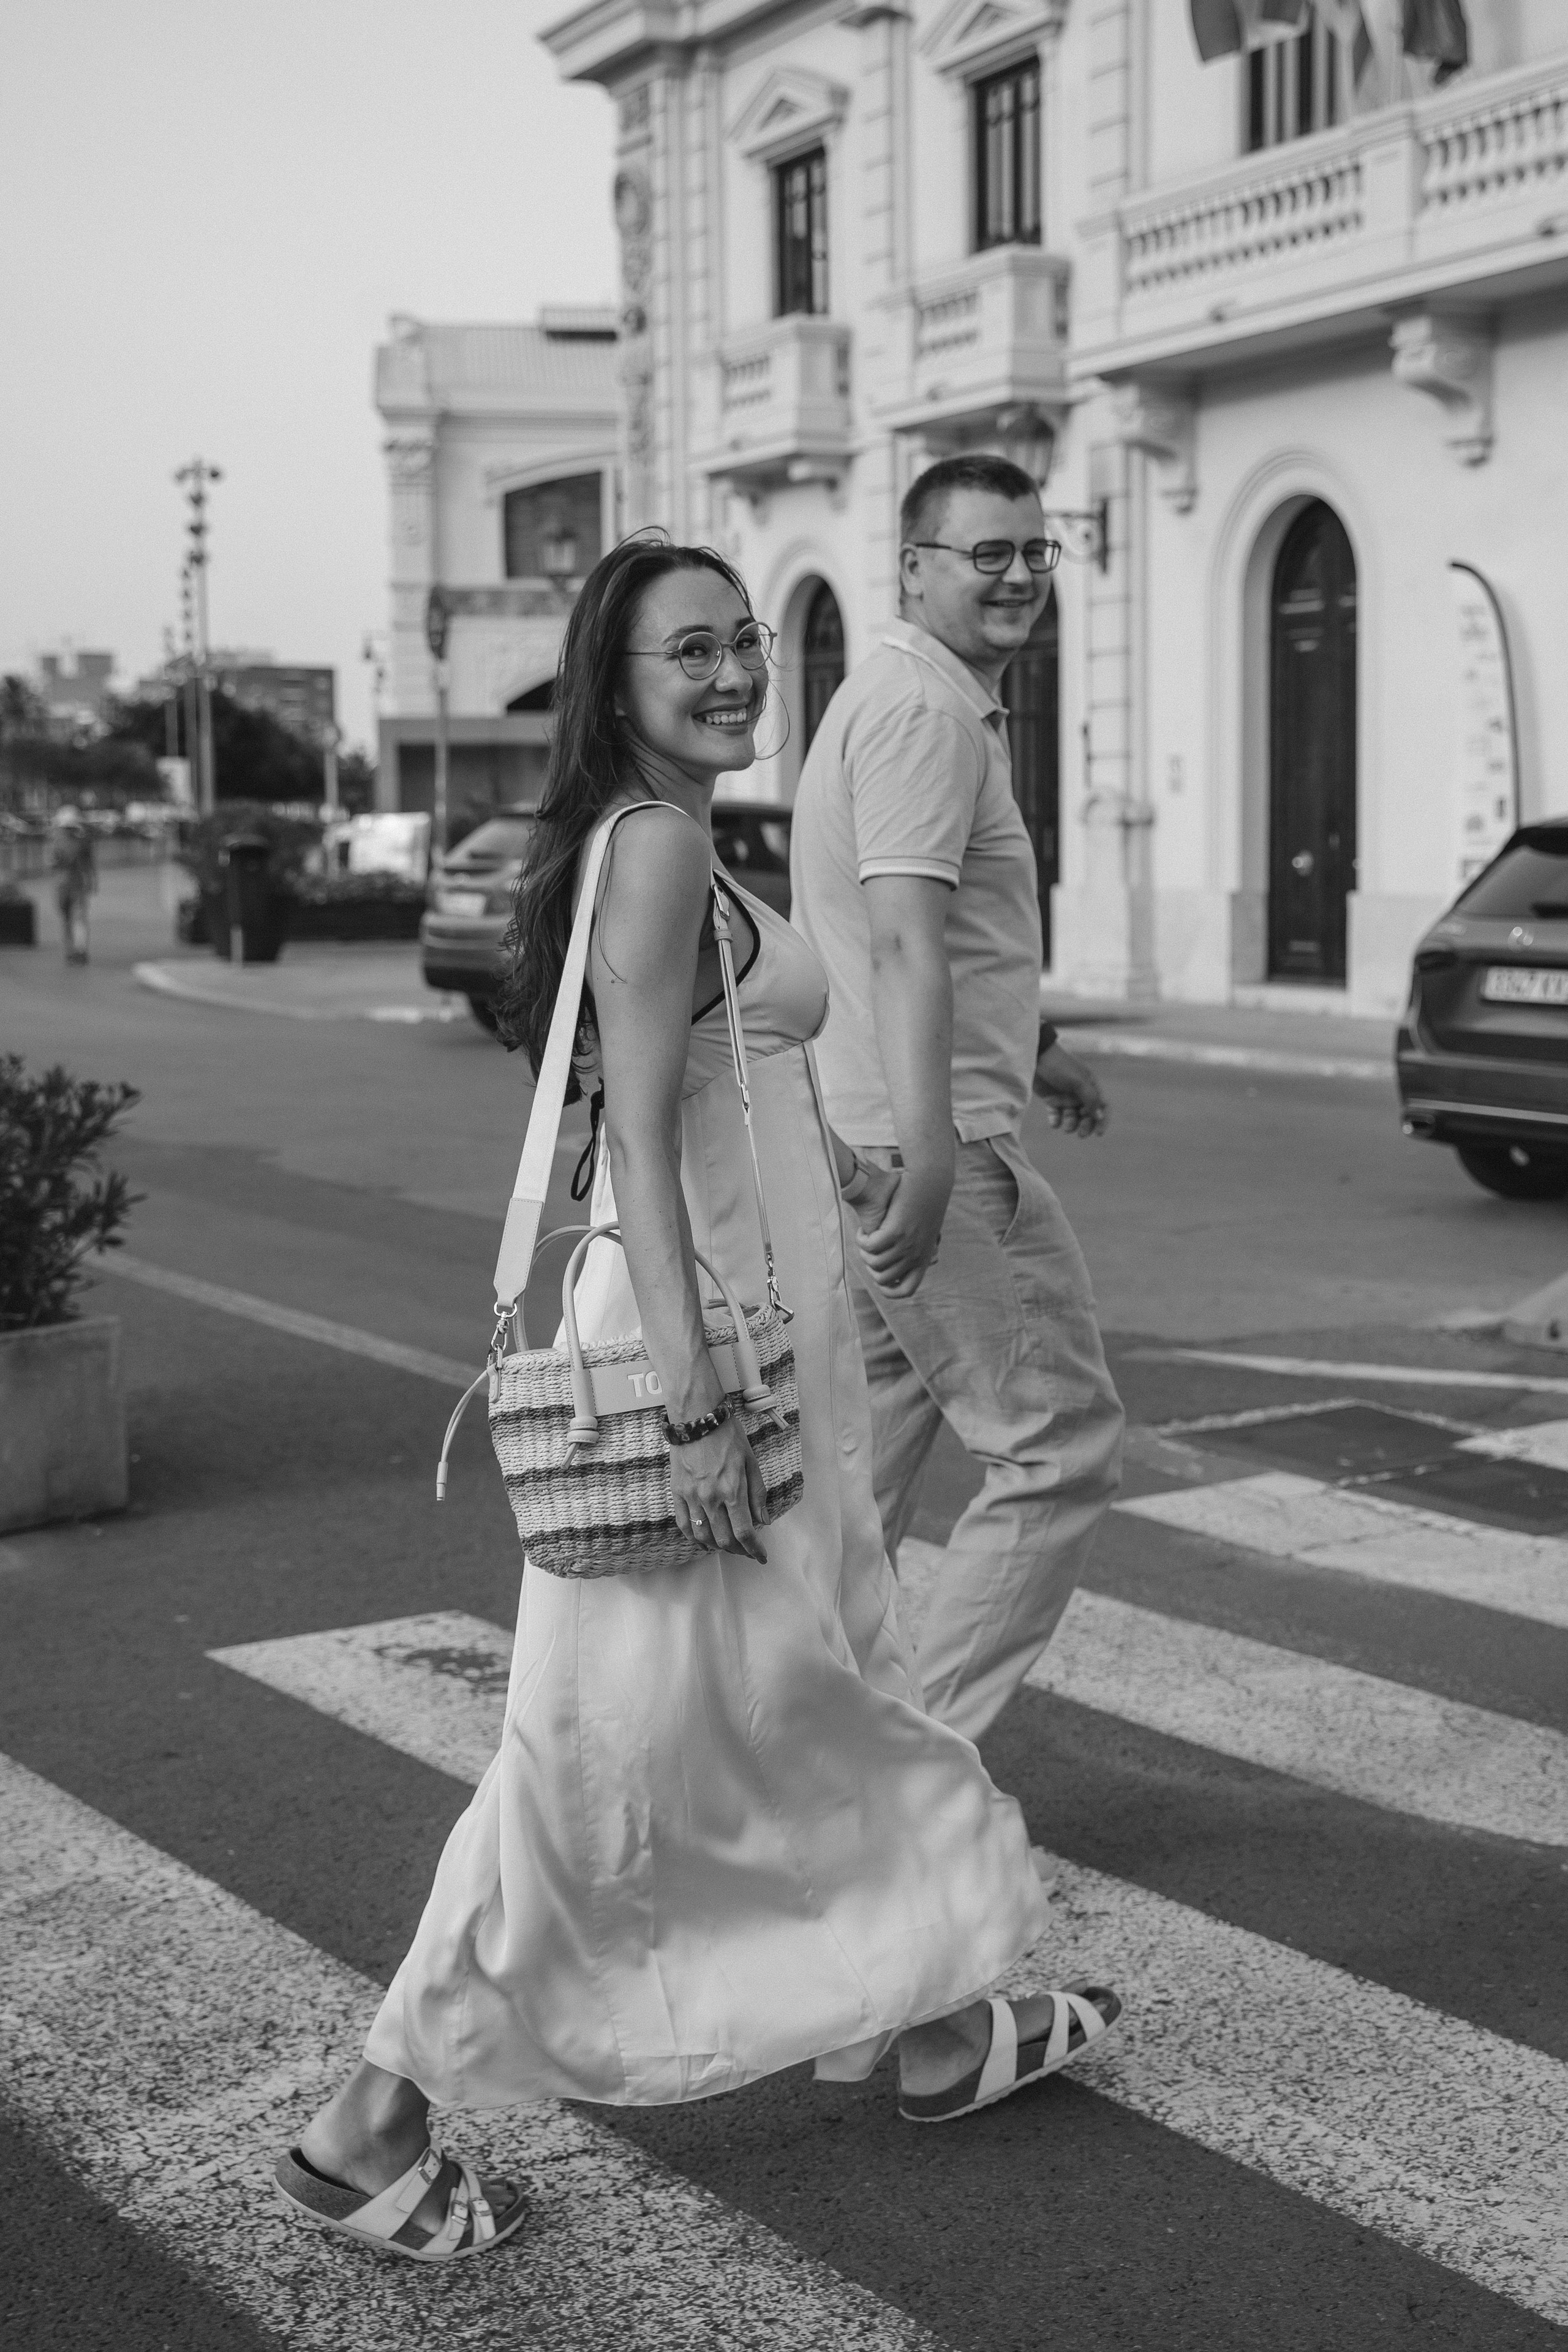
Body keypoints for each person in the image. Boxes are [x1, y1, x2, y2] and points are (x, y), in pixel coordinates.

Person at [275, 535, 1120, 2265]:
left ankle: (945, 2019)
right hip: (705, 1365)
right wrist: (693, 1408)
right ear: (617, 682)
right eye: (693, 653)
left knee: (816, 1690)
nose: (735, 672)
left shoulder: (661, 842)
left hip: (757, 1343)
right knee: (603, 1766)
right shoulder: (655, 853)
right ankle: (367, 2122)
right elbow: (640, 1147)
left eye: (746, 641)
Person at [790, 453, 1126, 1747]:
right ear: (915, 563)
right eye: (984, 555)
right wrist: (937, 1157)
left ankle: (798, 1743)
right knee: (1056, 1448)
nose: (1017, 579)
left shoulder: (890, 696)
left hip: (867, 1127)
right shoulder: (927, 715)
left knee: (867, 1469)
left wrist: (1028, 1045)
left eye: (1034, 552)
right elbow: (898, 943)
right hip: (926, 1145)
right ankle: (912, 1775)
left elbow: (920, 938)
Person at [51, 808, 96, 964]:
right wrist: (92, 881)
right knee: (75, 919)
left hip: (66, 885)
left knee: (71, 919)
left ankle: (75, 951)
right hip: (74, 884)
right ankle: (77, 951)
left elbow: (54, 863)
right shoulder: (82, 840)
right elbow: (89, 864)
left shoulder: (59, 841)